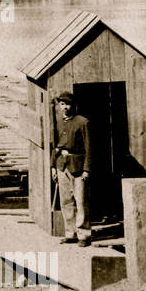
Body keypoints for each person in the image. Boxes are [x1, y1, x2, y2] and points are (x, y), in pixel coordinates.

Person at [53, 91, 92, 245]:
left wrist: (86, 169)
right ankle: (70, 233)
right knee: (66, 201)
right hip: (62, 166)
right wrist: (53, 167)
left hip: (78, 167)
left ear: (74, 105)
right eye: (62, 104)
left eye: (68, 104)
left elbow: (89, 148)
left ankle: (83, 235)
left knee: (81, 200)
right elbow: (55, 147)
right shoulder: (59, 122)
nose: (65, 108)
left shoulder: (83, 122)